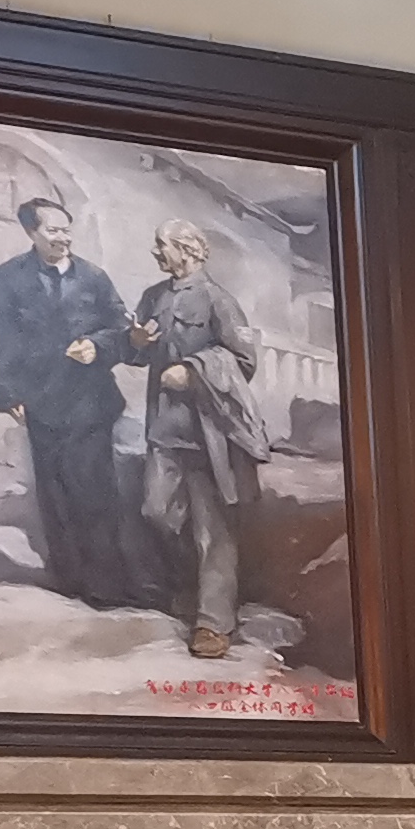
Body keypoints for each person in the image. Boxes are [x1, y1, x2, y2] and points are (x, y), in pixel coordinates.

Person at [0, 197, 141, 609]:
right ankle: (68, 579)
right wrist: (7, 393)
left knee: (96, 492)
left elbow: (122, 330)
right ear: (31, 233)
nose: (62, 238)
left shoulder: (94, 277)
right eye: (52, 231)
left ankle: (106, 583)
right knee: (54, 495)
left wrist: (98, 346)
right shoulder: (9, 277)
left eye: (66, 230)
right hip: (41, 401)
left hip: (91, 402)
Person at [126, 218, 275, 661]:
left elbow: (243, 360)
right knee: (156, 511)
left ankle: (213, 622)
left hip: (210, 434)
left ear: (188, 250)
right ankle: (189, 591)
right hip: (165, 430)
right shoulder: (154, 297)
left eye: (162, 245)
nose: (156, 252)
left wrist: (193, 371)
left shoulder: (218, 300)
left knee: (214, 529)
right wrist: (135, 341)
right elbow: (136, 353)